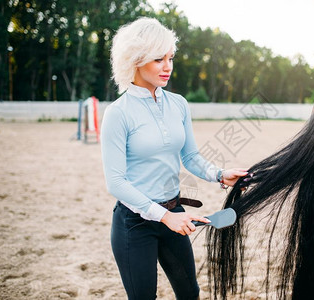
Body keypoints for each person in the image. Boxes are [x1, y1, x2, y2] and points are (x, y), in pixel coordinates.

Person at [101, 17, 247, 300]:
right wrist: (164, 216)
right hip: (134, 224)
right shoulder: (118, 113)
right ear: (136, 59)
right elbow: (115, 182)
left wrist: (220, 174)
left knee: (189, 294)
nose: (167, 66)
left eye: (170, 57)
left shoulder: (178, 104)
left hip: (175, 214)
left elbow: (190, 156)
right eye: (158, 59)